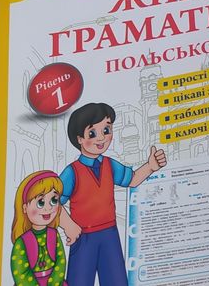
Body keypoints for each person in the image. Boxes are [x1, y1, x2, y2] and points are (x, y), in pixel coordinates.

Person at [57, 103, 167, 286]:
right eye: (92, 133)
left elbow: (132, 179)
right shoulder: (72, 172)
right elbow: (54, 202)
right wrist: (68, 226)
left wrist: (150, 167)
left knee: (116, 281)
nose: (101, 138)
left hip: (109, 234)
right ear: (79, 139)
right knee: (79, 282)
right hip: (83, 237)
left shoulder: (110, 164)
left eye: (106, 130)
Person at [9, 171, 67, 286]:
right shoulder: (22, 242)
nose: (48, 208)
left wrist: (54, 283)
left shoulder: (54, 234)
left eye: (53, 200)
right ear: (25, 208)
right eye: (41, 202)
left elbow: (61, 261)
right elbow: (20, 273)